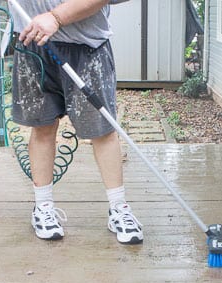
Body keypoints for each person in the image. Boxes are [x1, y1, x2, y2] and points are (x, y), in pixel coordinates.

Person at [8, 0, 143, 244]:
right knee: (42, 127)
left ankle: (118, 208)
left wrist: (56, 17)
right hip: (33, 43)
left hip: (86, 46)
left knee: (102, 131)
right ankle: (43, 207)